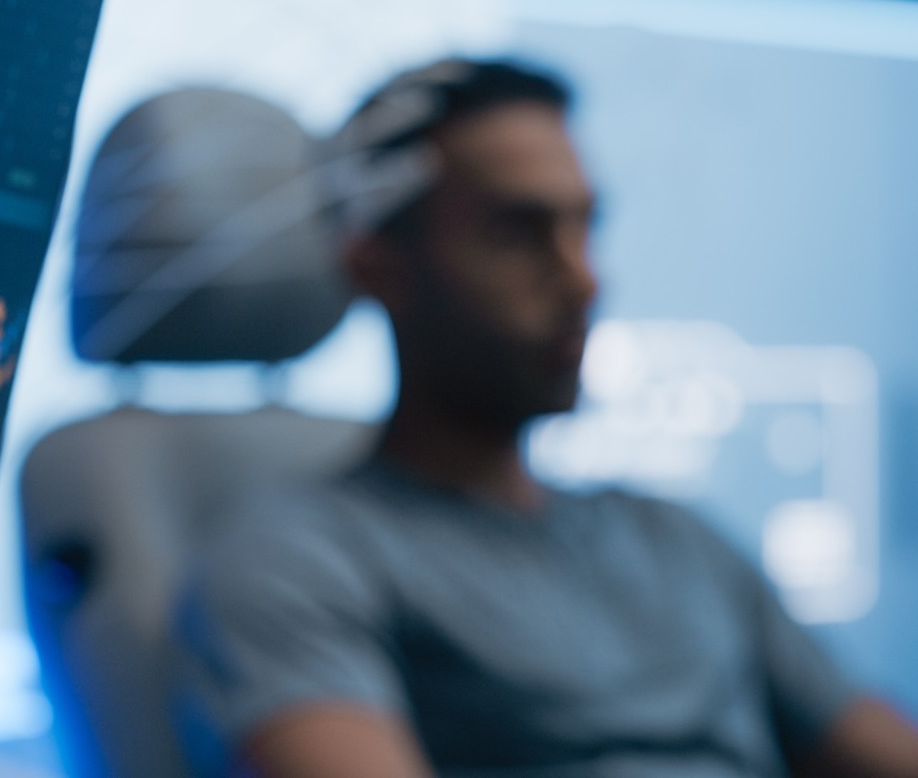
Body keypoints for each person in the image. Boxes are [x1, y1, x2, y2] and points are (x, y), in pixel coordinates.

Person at [170, 59, 918, 778]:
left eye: (584, 225)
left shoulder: (678, 543)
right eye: (518, 231)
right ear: (378, 268)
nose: (584, 278)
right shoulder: (300, 559)